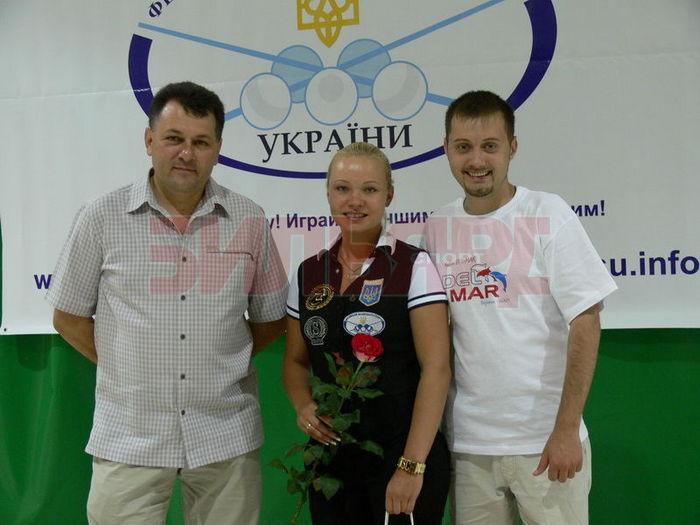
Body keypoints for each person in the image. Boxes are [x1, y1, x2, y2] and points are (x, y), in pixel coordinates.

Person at [47, 81, 288, 525]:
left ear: (218, 149)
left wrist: (220, 361)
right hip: (129, 434)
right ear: (149, 140)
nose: (186, 154)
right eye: (174, 138)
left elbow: (271, 320)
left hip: (225, 435)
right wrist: (126, 365)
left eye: (201, 142)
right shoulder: (101, 217)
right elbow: (68, 316)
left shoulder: (249, 219)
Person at [424, 90, 618, 524]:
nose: (477, 160)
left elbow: (586, 320)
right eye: (463, 147)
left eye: (490, 146)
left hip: (545, 443)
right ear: (446, 150)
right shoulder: (437, 227)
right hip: (470, 448)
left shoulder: (547, 213)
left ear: (512, 147)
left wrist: (566, 429)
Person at [283, 142, 452, 524]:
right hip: (332, 465)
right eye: (342, 188)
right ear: (328, 193)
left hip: (400, 460)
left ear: (388, 195)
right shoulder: (308, 273)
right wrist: (303, 406)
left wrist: (411, 466)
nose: (354, 201)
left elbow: (437, 370)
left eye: (369, 189)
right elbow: (295, 361)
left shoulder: (413, 266)